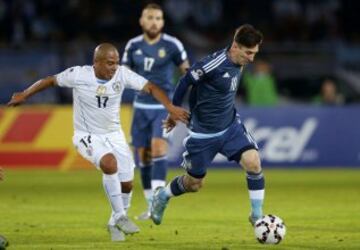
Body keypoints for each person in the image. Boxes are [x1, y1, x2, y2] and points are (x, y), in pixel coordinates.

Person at [7, 43, 189, 242]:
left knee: (127, 184)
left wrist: (170, 107)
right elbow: (50, 81)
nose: (114, 67)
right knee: (109, 163)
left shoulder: (122, 74)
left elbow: (151, 87)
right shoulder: (79, 75)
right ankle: (121, 216)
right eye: (110, 63)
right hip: (87, 135)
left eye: (116, 63)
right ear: (96, 63)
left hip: (114, 135)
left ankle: (113, 223)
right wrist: (24, 94)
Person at [150, 24, 266, 227]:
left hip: (230, 127)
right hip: (202, 134)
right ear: (235, 47)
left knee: (253, 162)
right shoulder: (212, 65)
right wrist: (173, 110)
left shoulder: (240, 59)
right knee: (194, 184)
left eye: (255, 53)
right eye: (249, 52)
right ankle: (163, 195)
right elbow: (185, 81)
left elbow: (240, 31)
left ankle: (257, 216)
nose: (251, 58)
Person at [121, 3, 190, 220]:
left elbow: (187, 74)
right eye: (150, 17)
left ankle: (159, 200)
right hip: (140, 107)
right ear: (142, 21)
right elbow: (123, 74)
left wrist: (183, 101)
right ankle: (151, 204)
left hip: (163, 107)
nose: (154, 21)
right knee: (143, 155)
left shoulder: (172, 44)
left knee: (158, 148)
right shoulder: (133, 46)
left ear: (163, 22)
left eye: (158, 18)